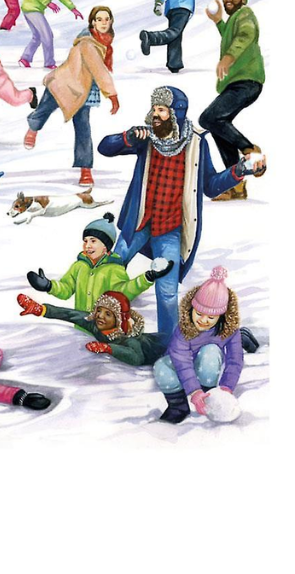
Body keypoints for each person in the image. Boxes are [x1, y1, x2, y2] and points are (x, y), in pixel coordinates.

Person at [97, 85, 264, 335]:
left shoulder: (196, 143)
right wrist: (126, 137)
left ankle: (168, 342)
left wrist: (237, 171)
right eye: (154, 109)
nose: (155, 114)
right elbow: (104, 148)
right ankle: (99, 320)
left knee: (166, 290)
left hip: (170, 229)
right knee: (110, 268)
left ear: (176, 113)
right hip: (139, 222)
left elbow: (210, 186)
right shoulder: (147, 137)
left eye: (162, 110)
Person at [24, 6, 118, 185]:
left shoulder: (104, 41)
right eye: (99, 19)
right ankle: (33, 129)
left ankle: (85, 170)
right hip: (61, 83)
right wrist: (112, 95)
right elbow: (99, 70)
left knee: (83, 128)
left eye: (107, 19)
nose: (104, 23)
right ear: (92, 22)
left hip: (83, 89)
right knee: (43, 111)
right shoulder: (87, 43)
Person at [154, 265, 248, 424]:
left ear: (221, 316)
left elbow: (235, 360)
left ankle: (209, 396)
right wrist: (194, 391)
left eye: (211, 317)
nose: (203, 320)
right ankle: (178, 406)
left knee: (210, 350)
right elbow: (181, 361)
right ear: (191, 308)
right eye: (199, 313)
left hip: (207, 367)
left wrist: (227, 387)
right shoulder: (183, 330)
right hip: (183, 368)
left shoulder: (230, 331)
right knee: (161, 366)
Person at [23, 211, 165, 316]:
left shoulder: (114, 269)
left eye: (93, 241)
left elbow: (124, 292)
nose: (88, 245)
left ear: (105, 247)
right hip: (81, 326)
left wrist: (146, 279)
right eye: (85, 241)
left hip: (105, 329)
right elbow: (66, 289)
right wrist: (49, 286)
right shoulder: (79, 266)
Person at [199, 0, 265, 199]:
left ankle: (249, 150)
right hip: (238, 82)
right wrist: (219, 22)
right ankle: (235, 184)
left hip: (246, 81)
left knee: (209, 118)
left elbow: (245, 36)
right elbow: (230, 37)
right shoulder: (235, 18)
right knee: (217, 124)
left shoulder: (246, 15)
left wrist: (228, 58)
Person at [16, 289, 168, 367]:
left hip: (164, 346)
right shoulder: (96, 324)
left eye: (108, 314)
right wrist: (41, 310)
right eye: (99, 310)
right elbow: (71, 314)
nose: (100, 316)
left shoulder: (128, 339)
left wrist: (108, 348)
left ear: (118, 320)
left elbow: (136, 358)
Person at [140, 0, 195, 74]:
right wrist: (191, 12)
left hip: (173, 9)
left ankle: (173, 63)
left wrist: (158, 3)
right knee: (175, 33)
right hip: (185, 9)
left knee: (175, 34)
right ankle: (152, 38)